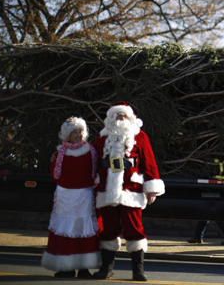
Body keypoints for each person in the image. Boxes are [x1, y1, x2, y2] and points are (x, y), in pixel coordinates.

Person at [92, 102, 165, 281]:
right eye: (117, 115)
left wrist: (151, 188)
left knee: (134, 229)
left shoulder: (140, 136)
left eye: (123, 115)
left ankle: (137, 270)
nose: (120, 119)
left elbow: (149, 162)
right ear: (111, 118)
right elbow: (91, 160)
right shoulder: (102, 137)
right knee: (108, 230)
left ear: (130, 117)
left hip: (130, 190)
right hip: (106, 191)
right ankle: (106, 267)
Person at [41, 117, 100, 278]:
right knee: (66, 229)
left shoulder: (91, 151)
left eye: (80, 131)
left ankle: (83, 268)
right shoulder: (60, 153)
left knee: (83, 229)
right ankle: (66, 268)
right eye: (74, 132)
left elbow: (95, 172)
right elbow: (55, 176)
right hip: (65, 197)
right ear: (67, 134)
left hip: (84, 196)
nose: (78, 134)